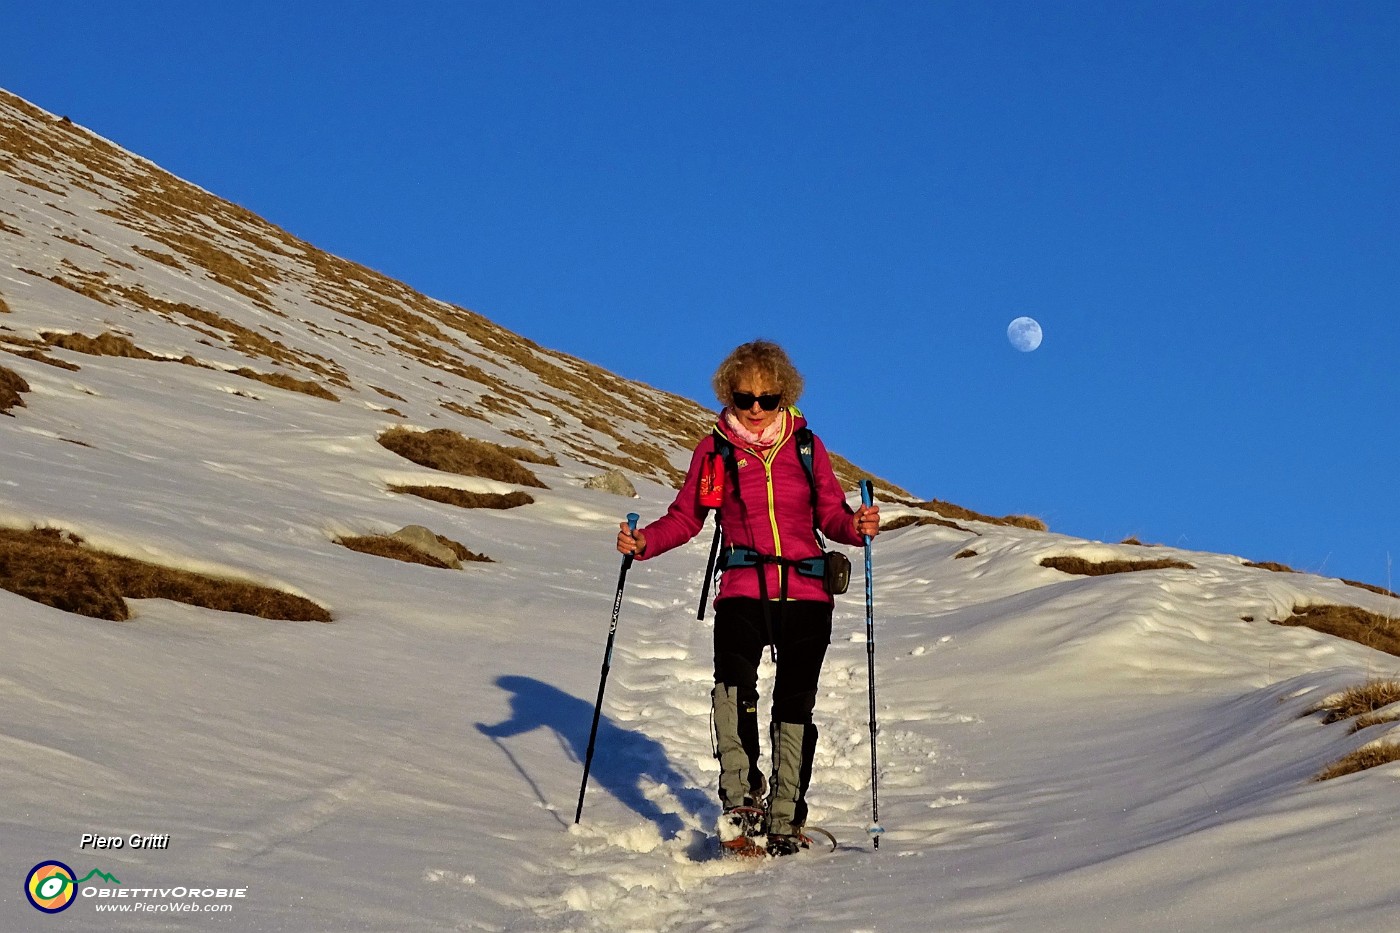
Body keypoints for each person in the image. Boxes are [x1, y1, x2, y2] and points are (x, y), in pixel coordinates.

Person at [616, 339, 880, 856]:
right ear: (728, 396)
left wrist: (856, 525)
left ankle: (785, 815)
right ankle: (741, 803)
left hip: (807, 592)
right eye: (744, 398)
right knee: (733, 690)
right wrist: (644, 541)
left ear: (785, 395)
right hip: (741, 588)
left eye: (768, 398)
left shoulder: (807, 448)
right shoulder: (713, 450)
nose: (756, 410)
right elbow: (687, 517)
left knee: (794, 702)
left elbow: (831, 514)